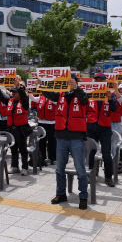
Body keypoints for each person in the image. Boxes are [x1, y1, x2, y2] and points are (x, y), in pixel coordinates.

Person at [45, 75, 89, 209]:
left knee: (80, 168)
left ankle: (83, 196)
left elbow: (85, 101)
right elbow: (47, 93)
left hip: (76, 137)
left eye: (72, 81)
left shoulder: (81, 94)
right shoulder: (60, 95)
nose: (69, 83)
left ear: (76, 82)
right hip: (61, 136)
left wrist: (76, 88)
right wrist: (41, 84)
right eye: (67, 82)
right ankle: (60, 193)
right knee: (59, 168)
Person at [86, 73, 117, 187]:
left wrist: (110, 99)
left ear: (105, 81)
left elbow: (114, 109)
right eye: (97, 80)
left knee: (106, 153)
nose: (99, 82)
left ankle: (108, 177)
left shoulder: (110, 93)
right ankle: (91, 174)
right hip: (91, 127)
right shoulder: (89, 93)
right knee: (91, 152)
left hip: (105, 128)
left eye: (101, 80)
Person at [7, 84, 31, 175]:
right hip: (11, 129)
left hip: (21, 129)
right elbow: (1, 96)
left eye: (15, 92)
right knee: (13, 148)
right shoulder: (10, 101)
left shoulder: (24, 102)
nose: (13, 94)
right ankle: (14, 166)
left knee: (23, 149)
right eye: (12, 92)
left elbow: (24, 96)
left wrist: (20, 89)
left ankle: (25, 167)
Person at [29, 91, 57, 166]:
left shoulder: (54, 99)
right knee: (42, 142)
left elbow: (55, 102)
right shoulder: (41, 98)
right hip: (41, 122)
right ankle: (43, 158)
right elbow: (33, 99)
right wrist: (28, 92)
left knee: (52, 142)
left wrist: (50, 96)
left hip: (51, 123)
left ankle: (53, 158)